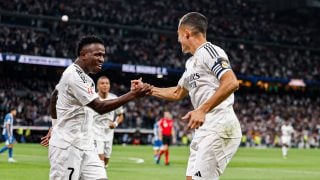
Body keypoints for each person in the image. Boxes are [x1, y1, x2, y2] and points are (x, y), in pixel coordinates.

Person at [141, 12, 242, 179]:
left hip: (219, 126)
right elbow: (178, 92)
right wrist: (149, 89)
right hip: (204, 129)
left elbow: (231, 82)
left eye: (178, 35)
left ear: (186, 33)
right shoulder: (191, 63)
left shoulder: (209, 51)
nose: (178, 40)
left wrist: (202, 110)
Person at [45, 35, 151, 180]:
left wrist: (54, 126)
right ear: (83, 55)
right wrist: (132, 95)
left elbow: (54, 96)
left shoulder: (84, 77)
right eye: (97, 54)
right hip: (68, 147)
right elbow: (99, 106)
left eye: (103, 55)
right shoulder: (74, 75)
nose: (102, 59)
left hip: (86, 145)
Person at [92, 76, 124, 167]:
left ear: (109, 86)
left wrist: (115, 123)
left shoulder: (114, 99)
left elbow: (120, 115)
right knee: (100, 162)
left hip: (108, 133)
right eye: (102, 83)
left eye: (107, 83)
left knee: (106, 161)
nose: (105, 85)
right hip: (95, 132)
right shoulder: (93, 98)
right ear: (97, 86)